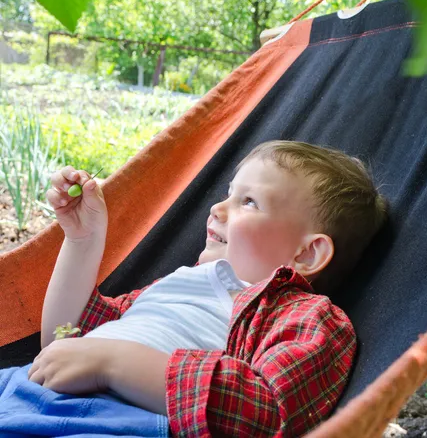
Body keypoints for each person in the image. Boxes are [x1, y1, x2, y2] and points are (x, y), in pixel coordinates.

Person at [3, 140, 388, 437]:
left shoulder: (305, 314)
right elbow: (59, 342)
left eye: (248, 202)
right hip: (23, 389)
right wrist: (82, 241)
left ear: (307, 253)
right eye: (228, 193)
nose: (217, 209)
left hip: (115, 422)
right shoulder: (180, 283)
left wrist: (112, 363)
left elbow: (268, 413)